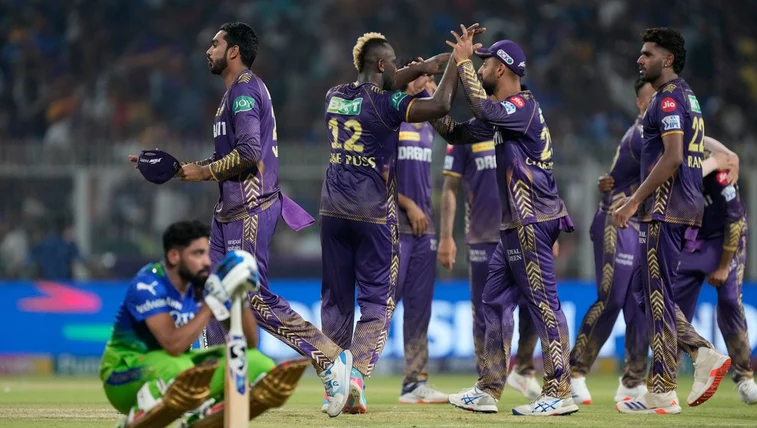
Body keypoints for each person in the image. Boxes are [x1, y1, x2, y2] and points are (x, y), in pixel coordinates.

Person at [129, 22, 353, 418]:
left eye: (214, 44)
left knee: (251, 297)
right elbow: (229, 158)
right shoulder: (232, 95)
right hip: (226, 214)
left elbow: (249, 152)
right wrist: (180, 168)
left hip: (251, 209)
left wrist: (199, 172)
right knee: (214, 297)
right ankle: (215, 390)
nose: (208, 50)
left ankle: (329, 358)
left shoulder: (246, 91)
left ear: (233, 51)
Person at [318, 24, 483, 414]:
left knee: (336, 301)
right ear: (380, 64)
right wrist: (456, 67)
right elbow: (440, 107)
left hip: (331, 211)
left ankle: (333, 385)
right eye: (392, 64)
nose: (399, 71)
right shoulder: (389, 106)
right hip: (373, 215)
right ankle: (355, 378)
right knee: (377, 303)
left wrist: (423, 64)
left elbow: (386, 80)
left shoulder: (334, 97)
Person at [436, 27, 578, 416]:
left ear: (501, 69)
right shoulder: (503, 118)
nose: (480, 70)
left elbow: (483, 110)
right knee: (494, 302)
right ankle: (489, 387)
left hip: (532, 220)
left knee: (544, 304)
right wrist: (428, 101)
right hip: (513, 225)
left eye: (485, 65)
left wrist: (463, 61)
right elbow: (457, 131)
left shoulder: (522, 107)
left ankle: (559, 390)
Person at [612, 27, 732, 414]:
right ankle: (662, 390)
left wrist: (633, 201)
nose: (640, 59)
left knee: (655, 295)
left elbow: (673, 156)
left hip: (665, 210)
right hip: (680, 209)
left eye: (647, 54)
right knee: (654, 295)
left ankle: (702, 353)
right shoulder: (688, 97)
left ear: (667, 60)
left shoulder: (665, 101)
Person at [99, 221, 308, 427]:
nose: (207, 262)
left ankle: (202, 416)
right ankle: (133, 419)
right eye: (197, 254)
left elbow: (250, 342)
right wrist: (210, 305)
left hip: (176, 371)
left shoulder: (204, 284)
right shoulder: (149, 284)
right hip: (124, 374)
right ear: (174, 256)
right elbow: (172, 345)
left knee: (257, 363)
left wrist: (240, 295)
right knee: (180, 368)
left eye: (207, 253)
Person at [439, 91, 541, 402]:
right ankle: (485, 380)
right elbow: (450, 188)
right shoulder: (468, 134)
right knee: (485, 312)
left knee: (533, 305)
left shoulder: (517, 125)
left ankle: (522, 369)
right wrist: (446, 236)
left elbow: (537, 176)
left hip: (521, 229)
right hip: (483, 236)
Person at [568, 79, 655, 405]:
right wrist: (720, 154)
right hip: (614, 220)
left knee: (638, 305)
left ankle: (633, 381)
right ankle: (573, 372)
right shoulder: (642, 134)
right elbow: (683, 152)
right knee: (612, 299)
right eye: (651, 99)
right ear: (639, 103)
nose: (658, 104)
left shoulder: (655, 133)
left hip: (637, 224)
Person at [674, 163, 757, 405]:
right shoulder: (671, 168)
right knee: (672, 307)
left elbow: (735, 221)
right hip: (693, 240)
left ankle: (745, 378)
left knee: (729, 300)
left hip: (725, 239)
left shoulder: (719, 175)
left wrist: (724, 266)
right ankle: (665, 382)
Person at [393, 72, 448, 404]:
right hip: (395, 227)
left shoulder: (429, 125)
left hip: (424, 231)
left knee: (419, 310)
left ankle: (415, 383)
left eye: (431, 77)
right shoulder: (391, 121)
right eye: (420, 76)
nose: (427, 81)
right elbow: (377, 174)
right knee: (382, 307)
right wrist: (409, 204)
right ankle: (353, 376)